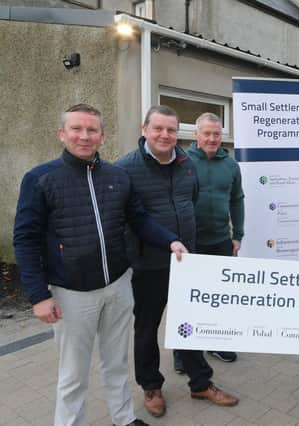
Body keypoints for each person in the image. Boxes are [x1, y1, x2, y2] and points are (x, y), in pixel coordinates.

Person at [13, 103, 188, 426]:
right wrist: (38, 296)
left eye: (92, 130)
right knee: (73, 374)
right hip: (71, 293)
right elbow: (25, 239)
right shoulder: (40, 178)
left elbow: (139, 219)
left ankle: (123, 418)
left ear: (102, 136)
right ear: (62, 134)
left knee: (116, 363)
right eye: (77, 129)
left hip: (119, 285)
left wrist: (169, 240)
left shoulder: (117, 176)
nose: (84, 136)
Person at [117, 106, 238, 418]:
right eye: (158, 128)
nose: (164, 135)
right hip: (148, 264)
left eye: (171, 130)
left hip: (186, 260)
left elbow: (191, 200)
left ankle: (200, 382)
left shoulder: (186, 164)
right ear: (144, 130)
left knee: (189, 323)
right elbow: (123, 217)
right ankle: (151, 386)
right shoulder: (126, 168)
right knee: (147, 327)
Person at [183, 112, 244, 364]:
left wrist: (237, 234)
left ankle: (217, 342)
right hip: (190, 242)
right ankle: (183, 351)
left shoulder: (231, 165)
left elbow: (237, 200)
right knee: (188, 300)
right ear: (196, 135)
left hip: (221, 240)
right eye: (206, 133)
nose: (212, 138)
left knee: (219, 298)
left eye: (216, 134)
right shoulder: (182, 161)